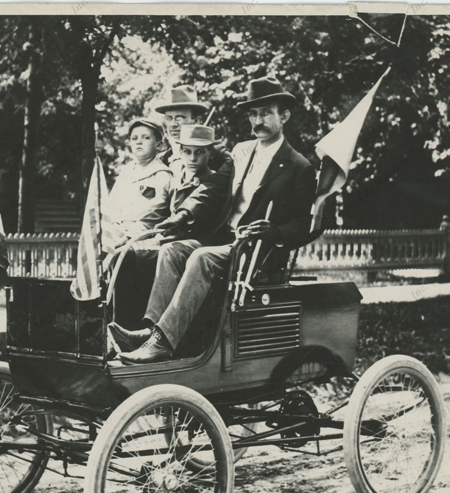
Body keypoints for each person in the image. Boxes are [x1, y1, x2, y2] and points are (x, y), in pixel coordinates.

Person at [111, 76, 317, 364]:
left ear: (284, 116)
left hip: (256, 252)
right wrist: (182, 215)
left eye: (266, 112)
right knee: (172, 250)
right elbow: (213, 189)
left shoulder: (299, 166)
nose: (258, 120)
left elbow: (307, 224)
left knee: (201, 258)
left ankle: (164, 342)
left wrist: (276, 232)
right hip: (223, 240)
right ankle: (149, 329)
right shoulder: (241, 152)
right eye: (253, 114)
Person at [109, 124, 230, 330]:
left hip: (195, 244)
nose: (192, 159)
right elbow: (158, 212)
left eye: (199, 152)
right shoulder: (178, 178)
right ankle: (119, 327)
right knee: (124, 255)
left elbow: (199, 210)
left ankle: (147, 328)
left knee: (134, 255)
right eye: (187, 152)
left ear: (210, 153)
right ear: (180, 152)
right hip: (168, 239)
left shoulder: (213, 182)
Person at [106, 118, 172, 248]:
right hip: (118, 231)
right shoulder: (126, 172)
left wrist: (130, 235)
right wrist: (114, 224)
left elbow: (157, 212)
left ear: (159, 145)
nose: (139, 142)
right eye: (134, 138)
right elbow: (112, 204)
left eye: (146, 138)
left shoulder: (161, 174)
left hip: (144, 235)